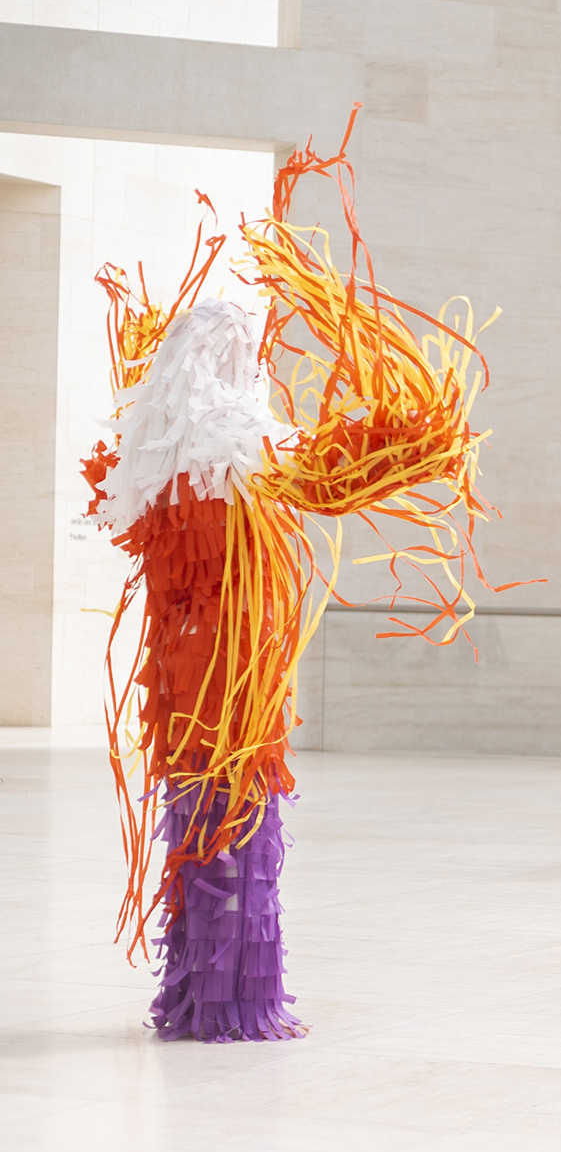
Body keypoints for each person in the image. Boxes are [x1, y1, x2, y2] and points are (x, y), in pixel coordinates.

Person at [82, 112, 499, 1040]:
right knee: (230, 822)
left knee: (209, 821)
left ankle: (204, 995)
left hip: (202, 680)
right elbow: (335, 473)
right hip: (223, 680)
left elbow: (121, 488)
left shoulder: (164, 461)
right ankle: (225, 1003)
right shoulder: (234, 454)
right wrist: (420, 429)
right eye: (241, 349)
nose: (251, 361)